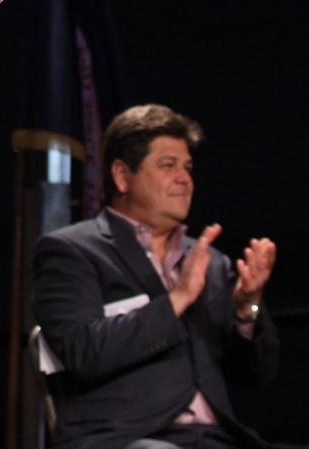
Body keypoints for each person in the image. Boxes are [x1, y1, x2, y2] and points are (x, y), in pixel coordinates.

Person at [33, 104, 287, 449]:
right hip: (127, 437)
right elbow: (84, 352)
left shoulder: (210, 262)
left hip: (218, 438)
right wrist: (177, 299)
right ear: (122, 176)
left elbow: (258, 373)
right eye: (168, 165)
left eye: (188, 168)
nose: (185, 179)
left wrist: (246, 311)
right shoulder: (72, 251)